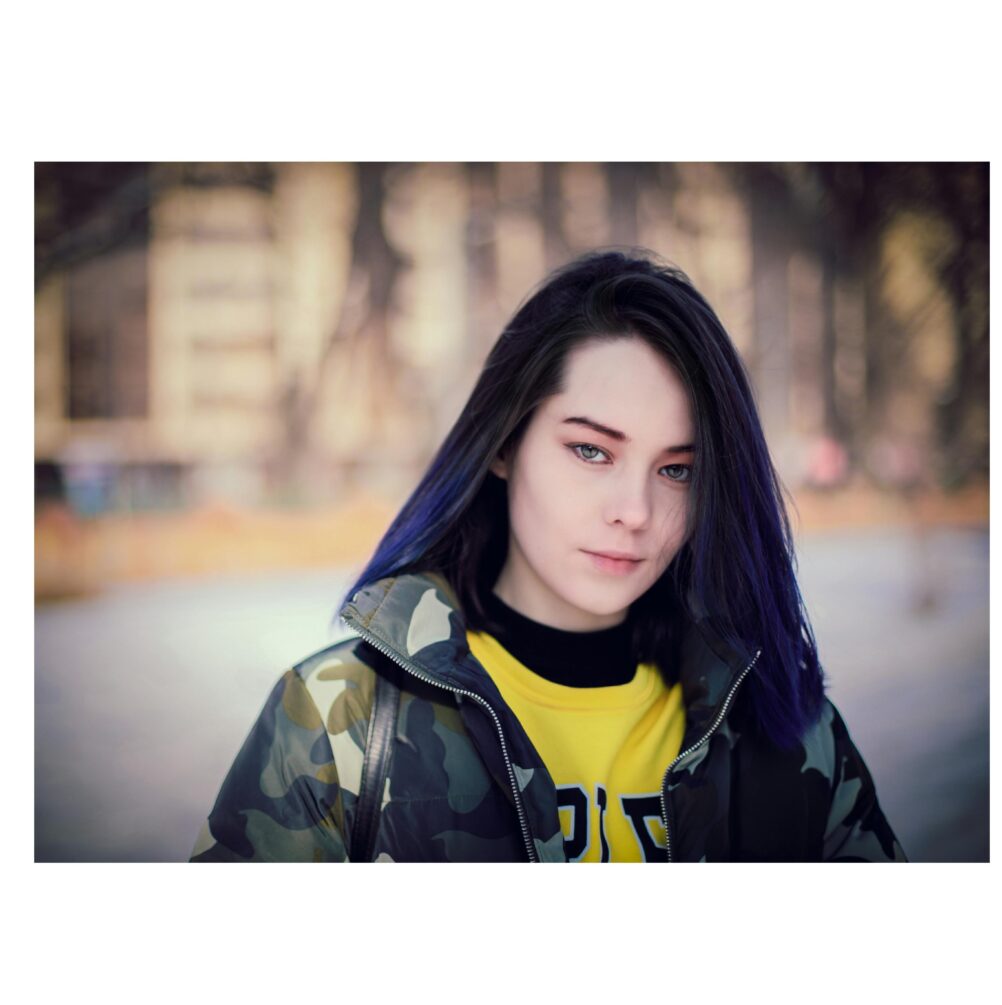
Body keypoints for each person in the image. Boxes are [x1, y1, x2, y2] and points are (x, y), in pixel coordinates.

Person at [190, 248, 906, 863]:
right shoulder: (340, 720)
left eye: (677, 469)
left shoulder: (784, 731)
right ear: (504, 442)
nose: (635, 510)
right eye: (591, 450)